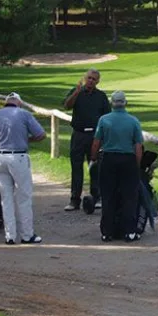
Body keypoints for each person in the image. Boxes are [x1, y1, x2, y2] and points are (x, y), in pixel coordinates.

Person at [0, 93, 46, 245]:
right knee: (23, 196)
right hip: (18, 157)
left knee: (6, 198)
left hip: (0, 157)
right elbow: (41, 134)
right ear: (19, 103)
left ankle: (10, 235)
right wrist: (26, 139)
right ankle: (27, 234)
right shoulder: (24, 114)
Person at [91, 90, 144, 243]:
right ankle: (129, 232)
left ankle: (107, 232)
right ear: (125, 102)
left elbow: (96, 142)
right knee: (129, 196)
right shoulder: (133, 121)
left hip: (108, 159)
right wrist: (137, 165)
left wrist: (94, 157)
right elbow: (138, 146)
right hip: (127, 159)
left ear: (112, 103)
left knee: (108, 196)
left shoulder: (104, 120)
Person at [62, 69, 110, 211]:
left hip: (95, 136)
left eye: (94, 79)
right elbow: (66, 105)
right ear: (85, 78)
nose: (91, 81)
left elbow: (106, 117)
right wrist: (76, 93)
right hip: (79, 135)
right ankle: (74, 200)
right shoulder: (77, 92)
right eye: (89, 78)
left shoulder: (101, 96)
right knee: (76, 168)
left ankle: (96, 197)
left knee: (95, 167)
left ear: (98, 81)